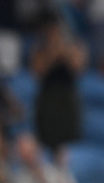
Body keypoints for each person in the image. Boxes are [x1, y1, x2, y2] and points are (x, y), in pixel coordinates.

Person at [30, 13, 86, 152]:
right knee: (46, 138)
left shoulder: (73, 45)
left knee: (68, 142)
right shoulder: (39, 48)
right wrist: (52, 54)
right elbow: (38, 71)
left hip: (67, 97)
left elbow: (78, 68)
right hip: (48, 97)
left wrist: (64, 53)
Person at [10, 132, 79, 183]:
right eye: (25, 154)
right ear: (19, 156)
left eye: (32, 151)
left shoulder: (58, 173)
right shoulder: (18, 181)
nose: (30, 157)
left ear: (39, 149)